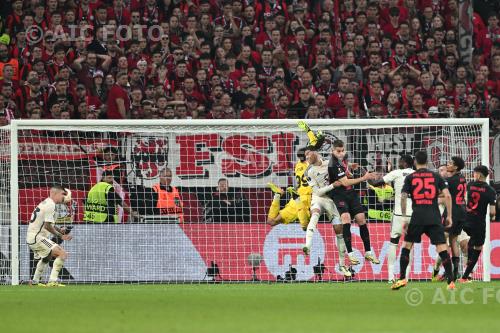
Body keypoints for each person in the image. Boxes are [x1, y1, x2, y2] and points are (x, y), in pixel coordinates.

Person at [392, 150, 455, 290]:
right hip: (434, 216)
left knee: (407, 246)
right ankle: (450, 281)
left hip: (417, 216)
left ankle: (402, 278)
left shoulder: (410, 177)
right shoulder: (436, 176)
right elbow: (448, 196)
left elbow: (403, 197)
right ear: (427, 162)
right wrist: (449, 216)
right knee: (442, 248)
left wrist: (403, 218)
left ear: (415, 162)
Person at [328, 139, 379, 265]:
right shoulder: (333, 164)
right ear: (332, 151)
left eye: (342, 151)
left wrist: (350, 166)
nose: (341, 153)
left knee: (361, 219)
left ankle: (368, 253)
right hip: (339, 194)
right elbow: (345, 182)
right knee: (346, 219)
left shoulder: (343, 159)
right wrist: (364, 178)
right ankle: (350, 254)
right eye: (338, 151)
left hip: (350, 193)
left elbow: (344, 167)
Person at [303, 148, 351, 278]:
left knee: (339, 230)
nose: (307, 158)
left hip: (331, 200)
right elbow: (318, 192)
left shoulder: (329, 163)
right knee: (315, 214)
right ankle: (307, 245)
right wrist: (332, 186)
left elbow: (342, 172)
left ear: (315, 153)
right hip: (319, 198)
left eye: (308, 155)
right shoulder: (308, 172)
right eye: (305, 157)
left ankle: (342, 265)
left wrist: (349, 169)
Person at [372, 155, 415, 282]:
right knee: (409, 245)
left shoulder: (396, 173)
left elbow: (377, 183)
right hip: (414, 214)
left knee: (393, 243)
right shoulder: (416, 174)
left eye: (400, 161)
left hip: (399, 214)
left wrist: (367, 177)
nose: (399, 163)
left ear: (405, 163)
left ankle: (391, 276)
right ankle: (406, 277)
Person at [27, 186, 72, 287]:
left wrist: (59, 230)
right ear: (55, 194)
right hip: (37, 237)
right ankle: (53, 281)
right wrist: (61, 235)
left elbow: (48, 223)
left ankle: (35, 282)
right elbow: (47, 226)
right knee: (62, 254)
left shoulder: (46, 203)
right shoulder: (50, 205)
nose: (64, 197)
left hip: (33, 237)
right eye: (63, 194)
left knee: (46, 258)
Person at [459, 165, 496, 282]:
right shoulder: (491, 190)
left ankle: (462, 272)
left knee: (470, 243)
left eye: (474, 173)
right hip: (478, 222)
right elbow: (492, 211)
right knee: (478, 247)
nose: (473, 175)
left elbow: (463, 200)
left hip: (465, 220)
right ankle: (466, 276)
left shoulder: (470, 185)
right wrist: (492, 217)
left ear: (479, 174)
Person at [444, 156, 467, 280]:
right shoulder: (463, 179)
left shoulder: (449, 180)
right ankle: (456, 271)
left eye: (450, 163)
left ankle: (448, 272)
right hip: (462, 211)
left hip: (452, 211)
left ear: (456, 167)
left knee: (442, 240)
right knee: (453, 240)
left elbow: (444, 194)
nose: (447, 165)